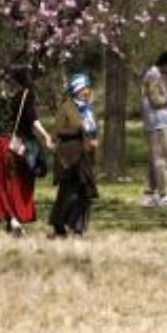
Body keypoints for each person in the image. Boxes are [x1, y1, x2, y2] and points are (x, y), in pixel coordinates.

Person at [0, 63, 54, 235]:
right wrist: (46, 135)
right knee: (20, 183)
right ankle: (16, 219)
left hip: (2, 143)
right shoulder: (27, 95)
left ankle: (11, 219)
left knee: (5, 183)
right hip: (18, 144)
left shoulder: (5, 97)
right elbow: (33, 119)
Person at [48, 72, 101, 237]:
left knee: (85, 193)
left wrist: (93, 141)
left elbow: (92, 130)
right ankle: (58, 224)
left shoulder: (89, 109)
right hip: (70, 157)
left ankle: (78, 227)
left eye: (88, 88)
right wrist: (78, 130)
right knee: (68, 193)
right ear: (76, 89)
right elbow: (57, 132)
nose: (87, 91)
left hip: (86, 157)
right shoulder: (66, 108)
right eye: (84, 88)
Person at [139, 51, 167, 208]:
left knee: (154, 160)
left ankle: (149, 194)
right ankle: (164, 195)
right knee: (162, 159)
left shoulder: (158, 75)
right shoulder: (154, 76)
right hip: (156, 123)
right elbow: (156, 101)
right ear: (166, 64)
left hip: (157, 122)